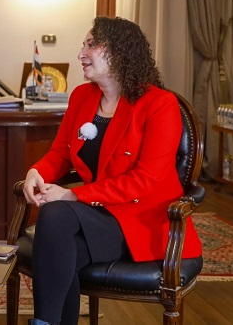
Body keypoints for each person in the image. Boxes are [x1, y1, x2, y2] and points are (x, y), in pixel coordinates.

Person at [22, 17, 203, 325]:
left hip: (142, 219)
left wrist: (72, 195)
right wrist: (35, 172)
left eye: (91, 45)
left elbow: (146, 180)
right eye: (83, 45)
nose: (81, 53)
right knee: (59, 247)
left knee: (56, 220)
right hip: (98, 215)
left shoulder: (160, 104)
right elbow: (61, 153)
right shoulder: (82, 96)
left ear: (119, 51)